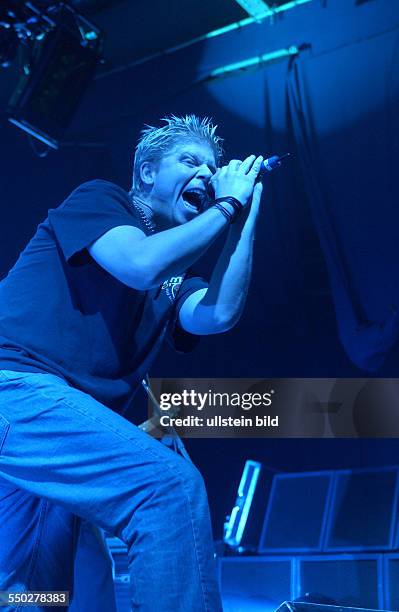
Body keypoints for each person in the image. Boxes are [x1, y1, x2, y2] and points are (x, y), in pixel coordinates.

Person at [0, 115, 263, 611]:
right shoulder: (102, 200)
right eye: (190, 161)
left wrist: (244, 214)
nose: (207, 174)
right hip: (14, 391)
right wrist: (227, 204)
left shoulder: (174, 277)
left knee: (35, 591)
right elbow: (140, 266)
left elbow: (220, 313)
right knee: (168, 490)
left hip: (42, 424)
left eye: (212, 166)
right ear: (146, 173)